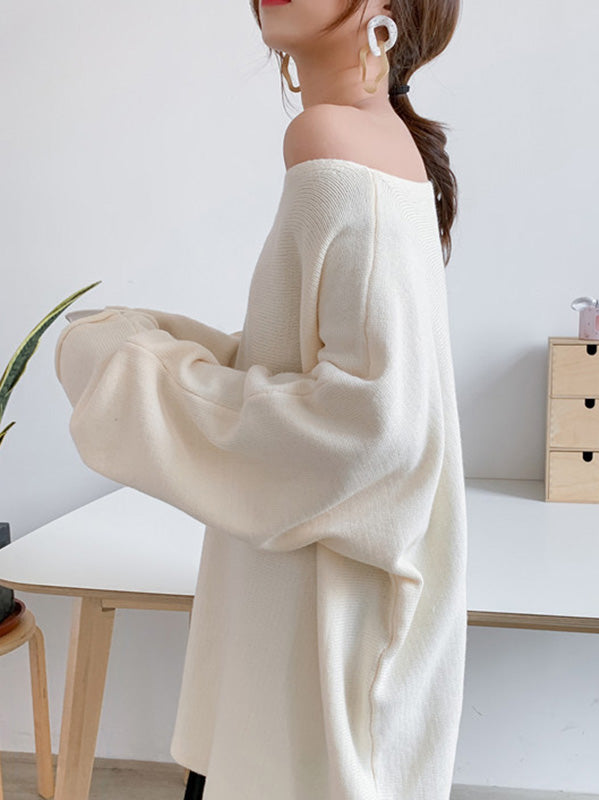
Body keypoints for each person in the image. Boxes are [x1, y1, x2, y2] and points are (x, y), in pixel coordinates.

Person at [55, 1, 467, 798]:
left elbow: (369, 429)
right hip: (315, 635)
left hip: (311, 651)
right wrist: (159, 344)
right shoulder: (375, 138)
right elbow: (305, 367)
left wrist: (120, 372)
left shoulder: (330, 137)